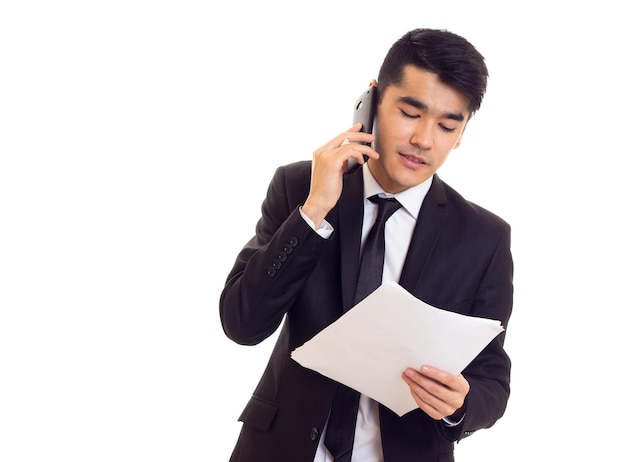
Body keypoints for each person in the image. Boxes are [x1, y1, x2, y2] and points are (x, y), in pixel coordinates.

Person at [219, 27, 513, 462]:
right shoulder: (300, 186)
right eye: (410, 113)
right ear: (373, 100)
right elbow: (242, 323)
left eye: (448, 124)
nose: (424, 140)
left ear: (462, 131)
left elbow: (491, 376)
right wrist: (314, 210)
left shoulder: (483, 237)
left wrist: (460, 404)